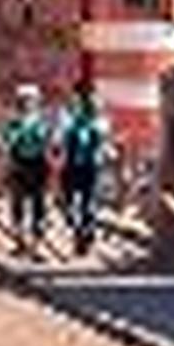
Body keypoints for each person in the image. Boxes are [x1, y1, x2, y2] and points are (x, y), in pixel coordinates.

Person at [55, 81, 110, 257]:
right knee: (73, 202)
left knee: (87, 202)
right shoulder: (70, 113)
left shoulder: (94, 114)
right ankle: (81, 229)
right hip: (77, 163)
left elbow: (103, 135)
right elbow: (61, 134)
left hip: (87, 164)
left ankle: (84, 232)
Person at [0, 82, 55, 252]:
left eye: (31, 100)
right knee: (18, 203)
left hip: (38, 164)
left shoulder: (42, 121)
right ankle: (21, 237)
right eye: (24, 100)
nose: (28, 103)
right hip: (19, 164)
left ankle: (36, 239)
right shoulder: (14, 122)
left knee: (39, 203)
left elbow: (49, 141)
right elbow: (5, 141)